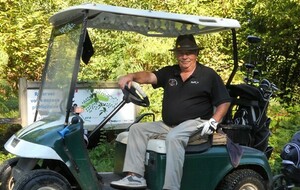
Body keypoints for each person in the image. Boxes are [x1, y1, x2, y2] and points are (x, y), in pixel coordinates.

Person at [110, 34, 231, 190]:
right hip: (168, 124)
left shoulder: (208, 75)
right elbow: (149, 76)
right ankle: (135, 177)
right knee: (137, 129)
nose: (185, 56)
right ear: (176, 55)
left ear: (196, 54)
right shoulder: (170, 72)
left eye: (189, 52)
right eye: (181, 53)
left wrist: (214, 121)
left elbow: (224, 101)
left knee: (174, 137)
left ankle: (171, 187)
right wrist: (131, 76)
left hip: (197, 123)